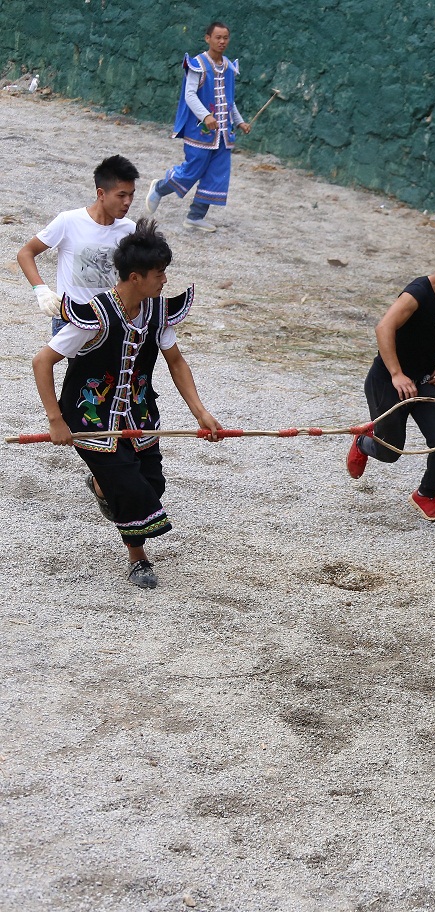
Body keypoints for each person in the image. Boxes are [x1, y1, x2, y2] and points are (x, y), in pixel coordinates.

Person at [32, 218, 223, 589]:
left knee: (152, 483)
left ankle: (102, 486)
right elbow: (42, 362)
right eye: (158, 273)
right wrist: (56, 419)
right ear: (135, 277)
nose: (164, 280)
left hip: (139, 412)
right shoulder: (94, 316)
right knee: (131, 489)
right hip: (90, 419)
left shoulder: (157, 314)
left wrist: (200, 412)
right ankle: (138, 559)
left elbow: (176, 362)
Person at [346, 228, 435, 523]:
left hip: (422, 382)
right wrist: (396, 374)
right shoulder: (418, 293)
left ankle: (427, 494)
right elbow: (384, 327)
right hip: (387, 381)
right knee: (390, 452)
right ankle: (362, 442)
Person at [144, 21, 250, 233]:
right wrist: (206, 115)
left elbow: (229, 100)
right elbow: (190, 95)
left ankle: (195, 216)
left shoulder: (228, 66)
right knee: (192, 170)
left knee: (216, 175)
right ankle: (159, 187)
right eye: (218, 37)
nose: (222, 41)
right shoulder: (197, 65)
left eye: (225, 38)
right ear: (207, 38)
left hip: (223, 135)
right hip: (200, 131)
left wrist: (239, 121)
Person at [17, 155, 139, 335]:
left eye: (131, 194)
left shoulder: (130, 230)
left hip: (108, 320)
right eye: (121, 195)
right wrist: (41, 291)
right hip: (70, 320)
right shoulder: (69, 222)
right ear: (101, 194)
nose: (127, 202)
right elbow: (25, 253)